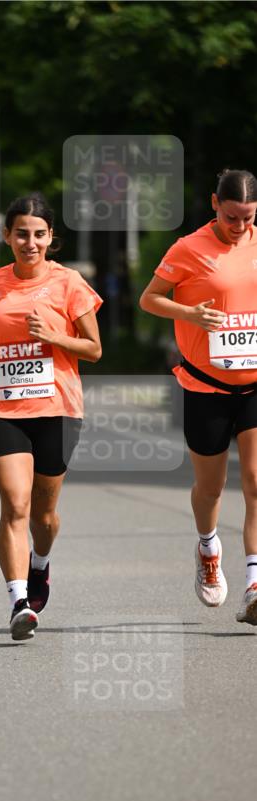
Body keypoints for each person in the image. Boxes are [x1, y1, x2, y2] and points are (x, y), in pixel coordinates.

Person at [0, 193, 102, 640]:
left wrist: (57, 336)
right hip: (1, 407)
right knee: (15, 504)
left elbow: (94, 349)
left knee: (44, 514)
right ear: (6, 236)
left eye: (38, 234)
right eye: (21, 233)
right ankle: (18, 601)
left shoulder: (70, 284)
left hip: (57, 409)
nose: (30, 242)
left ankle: (39, 564)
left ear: (50, 238)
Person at [140, 168, 257, 626]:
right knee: (210, 487)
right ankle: (208, 547)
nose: (240, 226)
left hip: (254, 384)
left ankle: (253, 583)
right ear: (214, 204)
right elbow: (150, 299)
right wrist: (189, 312)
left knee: (255, 481)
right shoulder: (189, 248)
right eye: (231, 217)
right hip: (206, 385)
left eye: (248, 218)